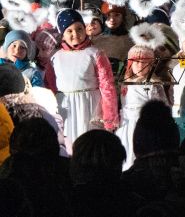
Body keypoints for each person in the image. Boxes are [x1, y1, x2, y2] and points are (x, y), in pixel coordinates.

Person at [44, 9, 118, 146]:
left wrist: (109, 116)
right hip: (65, 107)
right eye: (69, 31)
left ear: (85, 29)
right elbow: (50, 86)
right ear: (62, 35)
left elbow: (107, 86)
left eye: (79, 29)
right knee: (68, 144)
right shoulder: (55, 58)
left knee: (89, 144)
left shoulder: (95, 54)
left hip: (90, 105)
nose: (75, 34)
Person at [116, 35, 170, 170]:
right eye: (136, 61)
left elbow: (162, 105)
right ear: (130, 64)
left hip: (145, 125)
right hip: (126, 126)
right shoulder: (124, 84)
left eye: (144, 62)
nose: (140, 65)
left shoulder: (153, 84)